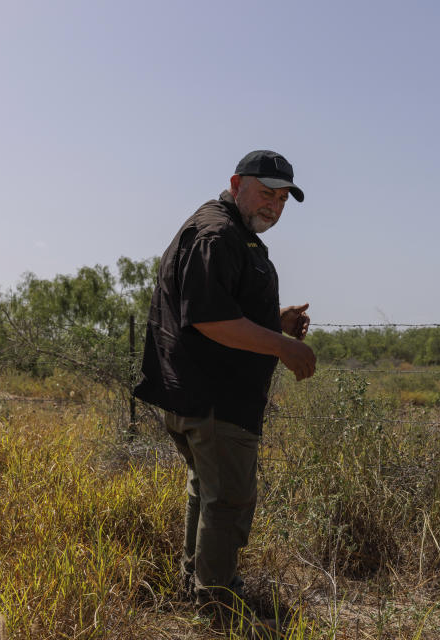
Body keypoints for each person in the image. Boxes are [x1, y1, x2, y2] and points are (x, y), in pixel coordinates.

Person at [133, 150, 317, 619]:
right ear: (237, 184)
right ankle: (215, 604)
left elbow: (216, 314)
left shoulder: (228, 231)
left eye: (282, 198)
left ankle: (196, 585)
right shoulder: (218, 233)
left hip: (203, 393)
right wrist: (284, 346)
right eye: (265, 193)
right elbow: (212, 320)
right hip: (214, 399)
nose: (274, 206)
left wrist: (275, 325)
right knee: (229, 500)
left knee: (208, 492)